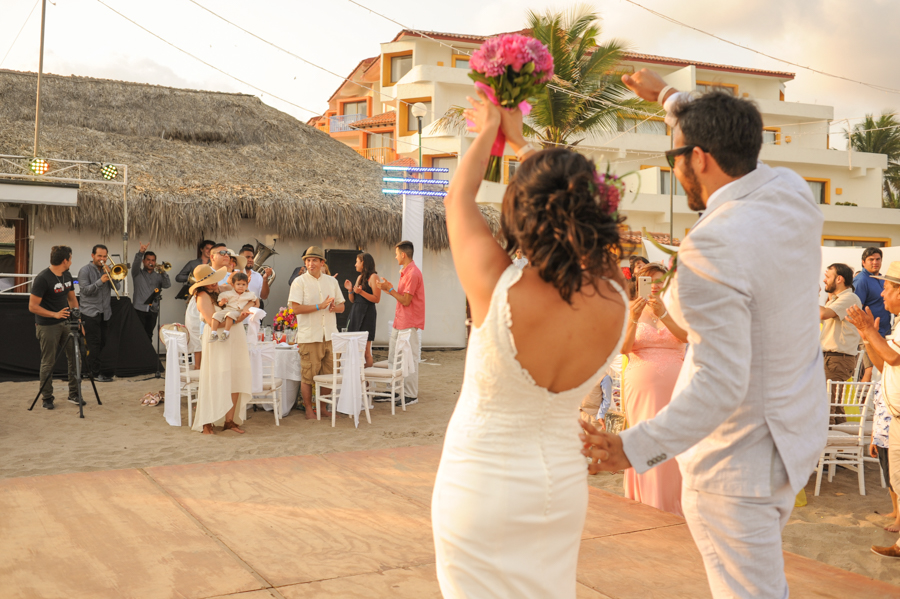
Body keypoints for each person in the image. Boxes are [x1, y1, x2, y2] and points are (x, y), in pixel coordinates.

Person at [580, 70, 827, 599]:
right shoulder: (793, 195)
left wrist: (632, 446)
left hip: (737, 466)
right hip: (793, 440)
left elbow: (720, 383)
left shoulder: (710, 246)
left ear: (700, 159)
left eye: (674, 158)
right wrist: (669, 99)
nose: (675, 171)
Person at [431, 89, 627, 598]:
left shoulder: (496, 284)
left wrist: (491, 133)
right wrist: (525, 150)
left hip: (480, 484)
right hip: (558, 488)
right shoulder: (615, 295)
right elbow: (576, 205)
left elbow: (458, 197)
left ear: (520, 211)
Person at [619, 262, 688, 516]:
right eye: (650, 281)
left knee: (672, 439)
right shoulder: (629, 309)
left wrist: (664, 315)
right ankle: (647, 502)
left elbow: (687, 337)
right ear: (639, 283)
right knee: (645, 437)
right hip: (641, 387)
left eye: (660, 281)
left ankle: (673, 503)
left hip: (675, 386)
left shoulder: (677, 308)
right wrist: (634, 318)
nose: (656, 286)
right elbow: (624, 348)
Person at [847, 262, 900, 557]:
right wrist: (868, 337)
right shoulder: (897, 323)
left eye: (888, 288)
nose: (882, 294)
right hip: (895, 415)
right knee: (897, 479)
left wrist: (868, 329)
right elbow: (882, 364)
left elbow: (892, 357)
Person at [190, 264, 251, 434]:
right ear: (202, 284)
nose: (213, 284)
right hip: (218, 339)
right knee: (216, 377)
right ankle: (207, 422)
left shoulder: (222, 289)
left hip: (236, 336)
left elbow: (244, 290)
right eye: (209, 282)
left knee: (236, 375)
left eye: (214, 280)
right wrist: (237, 320)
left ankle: (229, 421)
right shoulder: (202, 296)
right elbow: (211, 322)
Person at [288, 246, 344, 420]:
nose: (310, 263)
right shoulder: (299, 282)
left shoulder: (332, 282)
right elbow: (295, 308)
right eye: (307, 260)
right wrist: (320, 306)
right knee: (308, 375)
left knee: (330, 373)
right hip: (310, 336)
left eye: (314, 260)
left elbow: (342, 307)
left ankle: (322, 407)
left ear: (322, 263)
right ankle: (308, 410)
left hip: (330, 335)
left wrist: (335, 307)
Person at [29, 246, 81, 409]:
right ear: (65, 260)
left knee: (75, 357)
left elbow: (72, 299)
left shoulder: (67, 275)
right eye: (70, 258)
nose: (71, 261)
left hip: (66, 323)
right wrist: (54, 314)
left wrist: (78, 318)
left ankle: (74, 394)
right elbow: (32, 306)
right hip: (47, 325)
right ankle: (47, 397)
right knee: (48, 362)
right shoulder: (43, 278)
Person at [378, 241, 424, 406]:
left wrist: (389, 289)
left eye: (396, 253)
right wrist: (389, 287)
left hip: (409, 323)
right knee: (393, 357)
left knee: (409, 359)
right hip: (400, 321)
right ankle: (393, 391)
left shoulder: (412, 273)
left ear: (403, 255)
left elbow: (405, 300)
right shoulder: (405, 272)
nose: (395, 256)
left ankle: (411, 394)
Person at [820, 263, 863, 423]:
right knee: (834, 408)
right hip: (833, 358)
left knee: (826, 406)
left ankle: (828, 445)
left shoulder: (849, 298)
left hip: (837, 359)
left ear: (839, 279)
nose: (824, 280)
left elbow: (823, 314)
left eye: (827, 276)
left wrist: (806, 297)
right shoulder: (838, 299)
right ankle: (840, 447)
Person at [77, 244, 122, 383]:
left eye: (104, 256)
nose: (102, 259)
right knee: (93, 344)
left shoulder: (106, 270)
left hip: (105, 312)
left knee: (102, 343)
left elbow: (118, 287)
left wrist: (111, 275)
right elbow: (84, 291)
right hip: (90, 312)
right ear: (93, 256)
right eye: (99, 256)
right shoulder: (84, 270)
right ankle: (94, 374)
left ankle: (91, 371)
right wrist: (100, 281)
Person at [185, 242, 231, 368]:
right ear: (212, 257)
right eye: (222, 253)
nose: (226, 255)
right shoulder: (204, 276)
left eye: (227, 253)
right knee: (200, 346)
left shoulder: (229, 275)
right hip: (205, 319)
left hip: (219, 321)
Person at [854, 247, 891, 382]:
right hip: (868, 334)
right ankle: (862, 403)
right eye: (871, 259)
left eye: (878, 259)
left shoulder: (881, 279)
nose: (875, 262)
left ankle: (874, 403)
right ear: (863, 262)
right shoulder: (861, 280)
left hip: (884, 333)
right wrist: (865, 334)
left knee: (880, 372)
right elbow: (856, 309)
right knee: (869, 371)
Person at [344, 252, 381, 367]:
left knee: (365, 351)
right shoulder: (359, 277)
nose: (355, 264)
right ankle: (357, 377)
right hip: (356, 313)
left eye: (357, 262)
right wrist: (350, 290)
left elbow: (376, 299)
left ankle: (368, 379)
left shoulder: (374, 277)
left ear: (363, 263)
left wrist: (361, 292)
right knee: (354, 349)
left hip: (367, 314)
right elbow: (353, 300)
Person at [870, 385, 898, 532]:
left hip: (895, 435)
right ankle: (895, 511)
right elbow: (877, 411)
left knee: (897, 478)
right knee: (889, 477)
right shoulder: (879, 384)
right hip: (881, 436)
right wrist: (873, 438)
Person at [131, 242, 171, 340]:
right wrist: (141, 252)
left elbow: (167, 285)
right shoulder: (137, 273)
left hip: (153, 309)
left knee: (149, 335)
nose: (151, 262)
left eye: (153, 260)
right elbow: (136, 264)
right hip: (139, 309)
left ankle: (147, 355)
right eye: (148, 260)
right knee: (138, 335)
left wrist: (163, 272)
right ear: (143, 261)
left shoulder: (159, 275)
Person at [210, 272, 258, 341]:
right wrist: (222, 302)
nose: (241, 286)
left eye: (243, 284)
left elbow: (256, 301)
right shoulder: (227, 294)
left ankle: (226, 332)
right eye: (238, 284)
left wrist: (253, 309)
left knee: (230, 315)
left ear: (247, 286)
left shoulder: (249, 295)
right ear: (233, 285)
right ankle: (213, 333)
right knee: (216, 315)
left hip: (238, 311)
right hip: (227, 309)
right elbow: (220, 304)